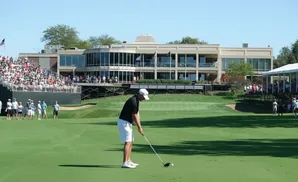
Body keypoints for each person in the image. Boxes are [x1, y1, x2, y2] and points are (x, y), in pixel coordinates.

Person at [117, 89, 150, 169]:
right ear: (140, 94)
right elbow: (134, 116)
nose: (144, 99)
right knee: (128, 142)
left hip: (128, 123)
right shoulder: (133, 101)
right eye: (143, 97)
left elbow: (137, 113)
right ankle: (124, 162)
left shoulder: (136, 100)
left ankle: (128, 160)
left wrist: (139, 126)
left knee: (131, 141)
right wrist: (139, 127)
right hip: (124, 123)